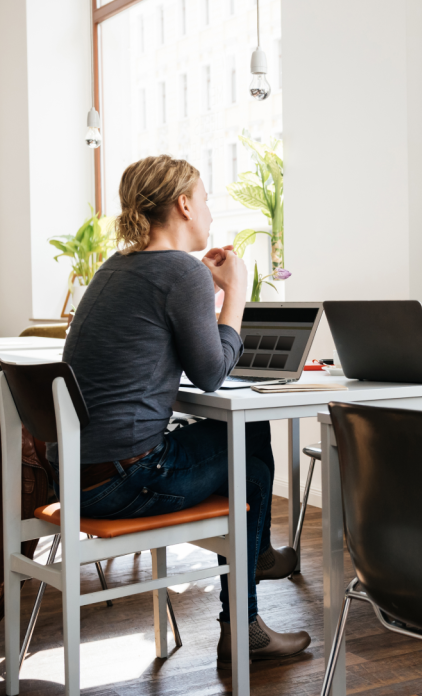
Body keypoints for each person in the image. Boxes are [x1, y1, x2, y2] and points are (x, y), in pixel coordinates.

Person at [47, 154, 311, 667]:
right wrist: (235, 289)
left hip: (77, 478)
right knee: (251, 459)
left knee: (244, 437)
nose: (210, 212)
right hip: (125, 482)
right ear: (184, 204)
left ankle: (255, 561)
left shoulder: (116, 267)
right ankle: (246, 620)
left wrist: (206, 293)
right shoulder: (179, 271)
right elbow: (212, 374)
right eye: (206, 199)